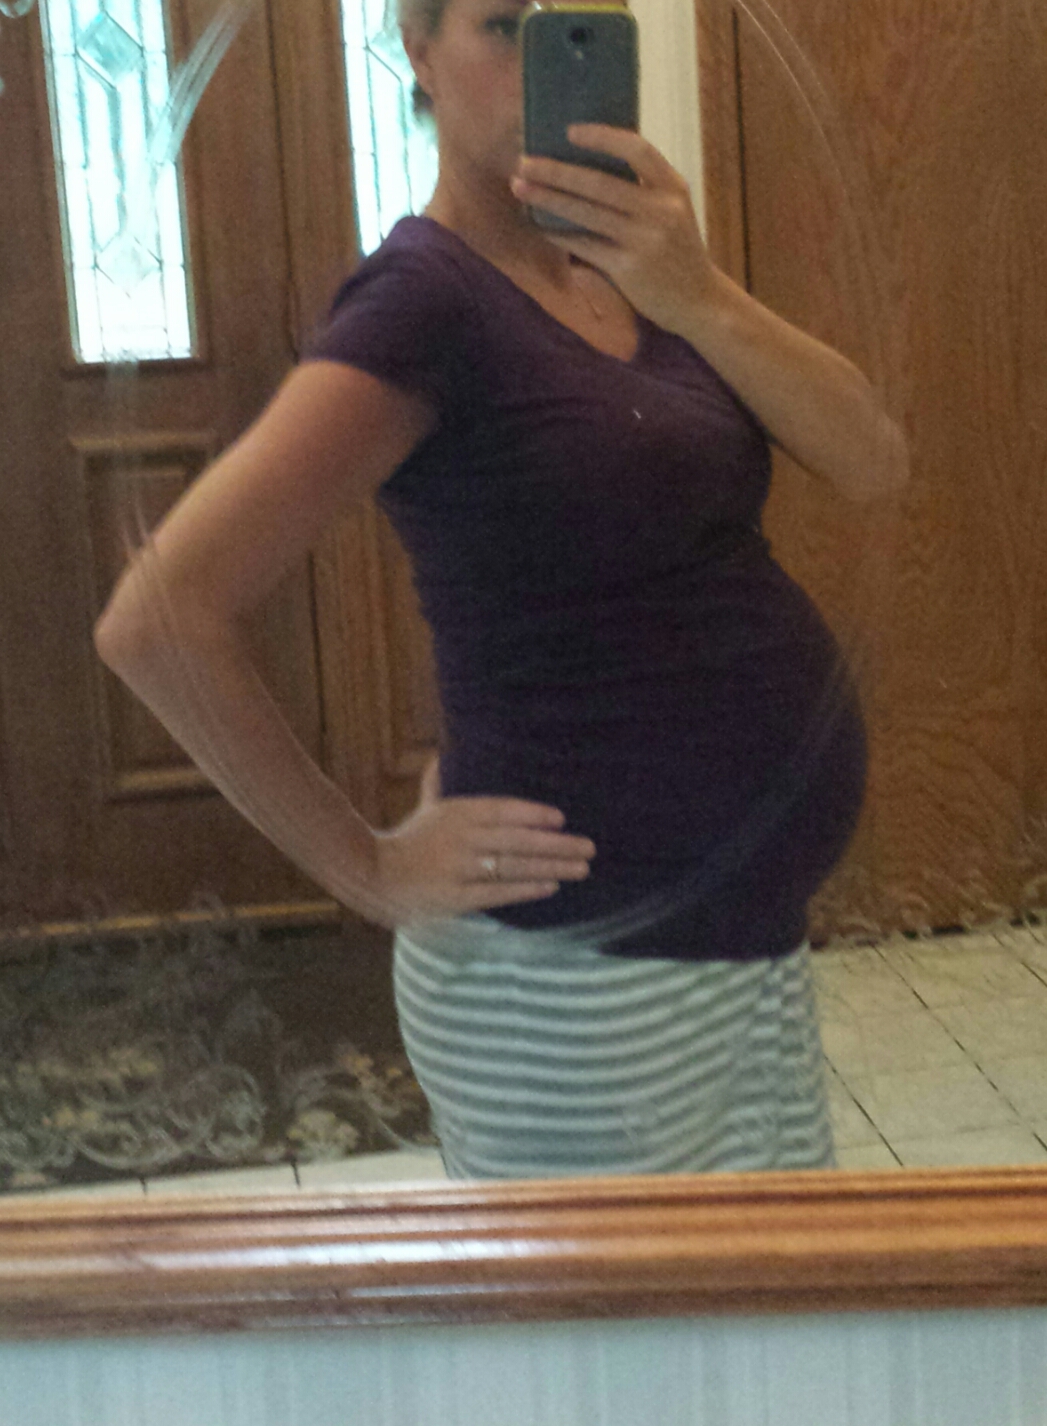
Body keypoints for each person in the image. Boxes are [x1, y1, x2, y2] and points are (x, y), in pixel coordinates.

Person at [95, 0, 908, 1180]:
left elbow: (873, 459)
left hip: (737, 954)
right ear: (418, 51)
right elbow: (157, 620)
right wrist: (367, 866)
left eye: (571, 19)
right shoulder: (425, 301)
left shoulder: (638, 272)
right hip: (572, 984)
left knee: (753, 1294)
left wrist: (694, 289)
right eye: (502, 23)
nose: (540, 53)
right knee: (620, 1307)